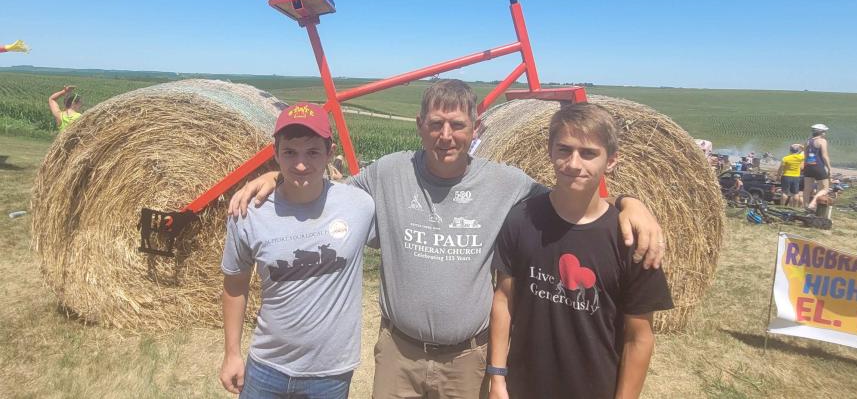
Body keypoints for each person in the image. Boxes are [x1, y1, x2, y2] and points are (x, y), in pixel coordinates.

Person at [229, 80, 666, 399]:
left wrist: (630, 202)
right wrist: (276, 175)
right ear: (419, 125)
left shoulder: (507, 184)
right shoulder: (388, 173)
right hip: (399, 355)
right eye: (436, 123)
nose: (446, 135)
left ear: (474, 129)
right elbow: (325, 190)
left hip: (468, 361)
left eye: (457, 124)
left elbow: (571, 196)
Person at [488, 103, 673, 399]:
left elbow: (638, 337)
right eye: (564, 149)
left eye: (589, 153)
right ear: (550, 152)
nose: (574, 163)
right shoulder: (521, 219)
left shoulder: (630, 241)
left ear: (611, 162)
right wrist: (497, 377)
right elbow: (504, 300)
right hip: (522, 387)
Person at [219, 102, 376, 398]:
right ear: (275, 153)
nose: (301, 164)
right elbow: (234, 285)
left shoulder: (360, 206)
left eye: (313, 152)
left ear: (330, 154)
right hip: (266, 367)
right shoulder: (249, 213)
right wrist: (232, 354)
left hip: (330, 374)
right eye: (290, 152)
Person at [802, 123, 832, 211]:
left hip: (808, 166)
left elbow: (805, 155)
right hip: (818, 166)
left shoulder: (807, 141)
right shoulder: (822, 141)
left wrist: (805, 166)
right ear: (821, 132)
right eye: (824, 132)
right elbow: (824, 156)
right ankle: (813, 203)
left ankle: (805, 206)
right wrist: (829, 168)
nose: (825, 133)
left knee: (807, 188)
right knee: (825, 188)